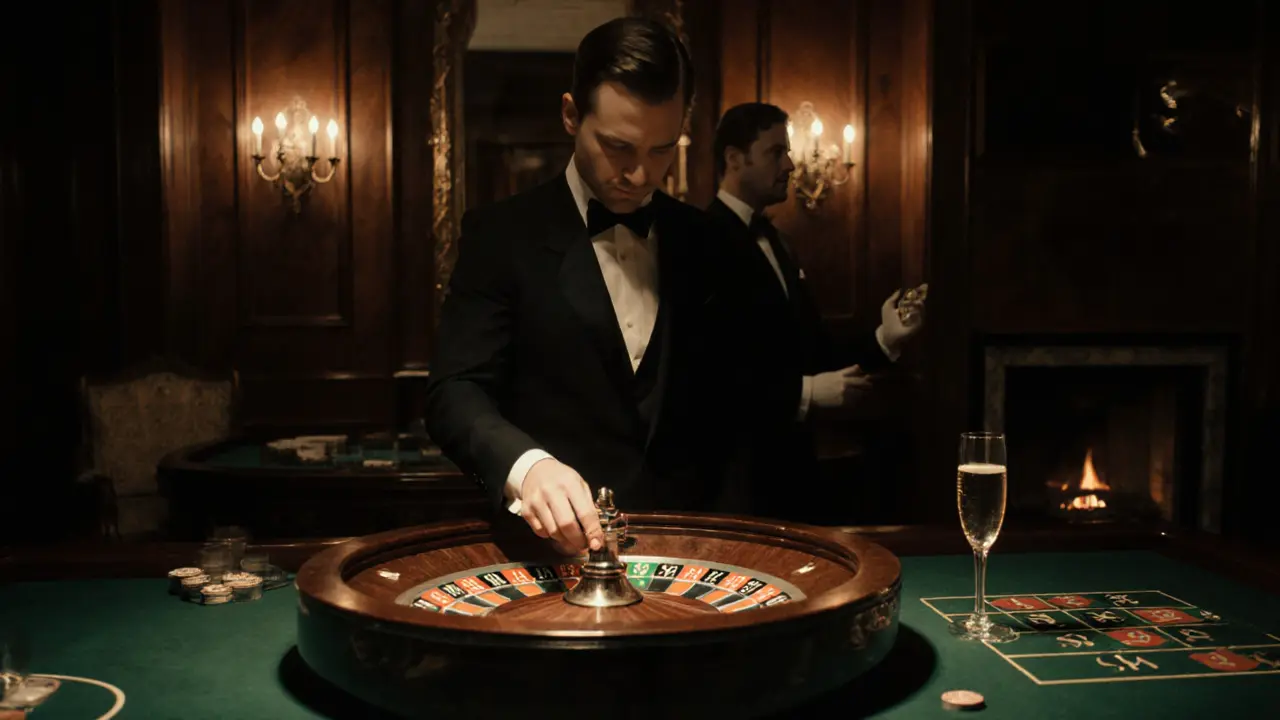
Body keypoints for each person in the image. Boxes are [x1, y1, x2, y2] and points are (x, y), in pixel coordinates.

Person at [425, 18, 766, 555]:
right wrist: (527, 467)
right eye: (617, 146)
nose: (640, 174)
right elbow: (454, 391)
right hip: (549, 556)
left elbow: (741, 416)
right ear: (570, 114)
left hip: (693, 556)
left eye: (661, 149)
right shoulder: (502, 236)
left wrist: (734, 544)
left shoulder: (711, 242)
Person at [707, 102, 927, 523]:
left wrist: (887, 338)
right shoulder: (701, 240)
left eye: (788, 152)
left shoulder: (779, 242)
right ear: (734, 158)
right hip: (736, 483)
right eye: (776, 152)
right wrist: (803, 393)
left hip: (793, 470)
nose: (790, 165)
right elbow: (711, 374)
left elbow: (813, 347)